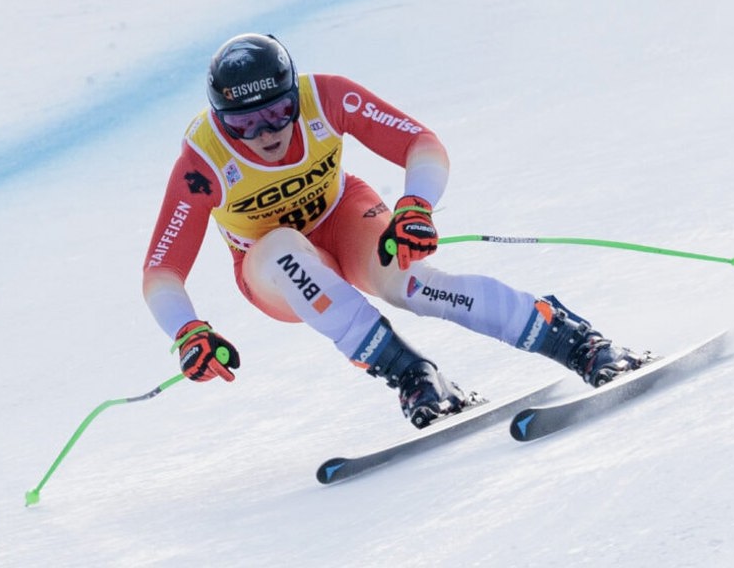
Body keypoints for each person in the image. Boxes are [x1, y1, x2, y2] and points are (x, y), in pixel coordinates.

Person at [142, 33, 653, 429]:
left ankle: (573, 341)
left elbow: (420, 143)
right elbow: (162, 270)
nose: (266, 133)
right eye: (244, 125)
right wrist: (188, 331)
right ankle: (414, 377)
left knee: (412, 285)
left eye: (276, 113)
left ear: (293, 95)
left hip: (345, 219)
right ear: (220, 120)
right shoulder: (203, 160)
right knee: (283, 250)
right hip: (271, 269)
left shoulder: (326, 96)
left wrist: (417, 207)